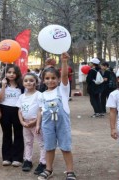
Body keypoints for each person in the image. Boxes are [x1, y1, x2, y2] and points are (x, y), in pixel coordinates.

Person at [37, 52, 76, 180]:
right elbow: (40, 111)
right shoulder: (42, 95)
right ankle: (48, 169)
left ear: (58, 79)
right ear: (43, 80)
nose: (50, 81)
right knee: (49, 147)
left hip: (62, 124)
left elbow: (65, 75)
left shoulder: (62, 90)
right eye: (47, 78)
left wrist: (64, 61)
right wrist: (38, 124)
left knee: (65, 147)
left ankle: (70, 171)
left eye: (53, 78)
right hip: (47, 125)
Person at [16, 72, 46, 175]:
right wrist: (22, 122)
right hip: (25, 124)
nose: (28, 82)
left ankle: (43, 162)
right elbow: (20, 110)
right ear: (23, 82)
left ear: (36, 82)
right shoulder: (21, 96)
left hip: (36, 123)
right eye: (26, 80)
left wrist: (35, 123)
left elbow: (41, 110)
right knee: (28, 142)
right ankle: (27, 160)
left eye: (31, 80)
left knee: (41, 143)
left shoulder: (39, 95)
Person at [0, 64, 24, 167]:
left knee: (18, 133)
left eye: (14, 72)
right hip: (5, 110)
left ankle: (18, 158)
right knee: (6, 134)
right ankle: (7, 157)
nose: (11, 74)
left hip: (17, 111)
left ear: (17, 74)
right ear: (5, 73)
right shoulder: (0, 85)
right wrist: (3, 86)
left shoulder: (21, 85)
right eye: (9, 72)